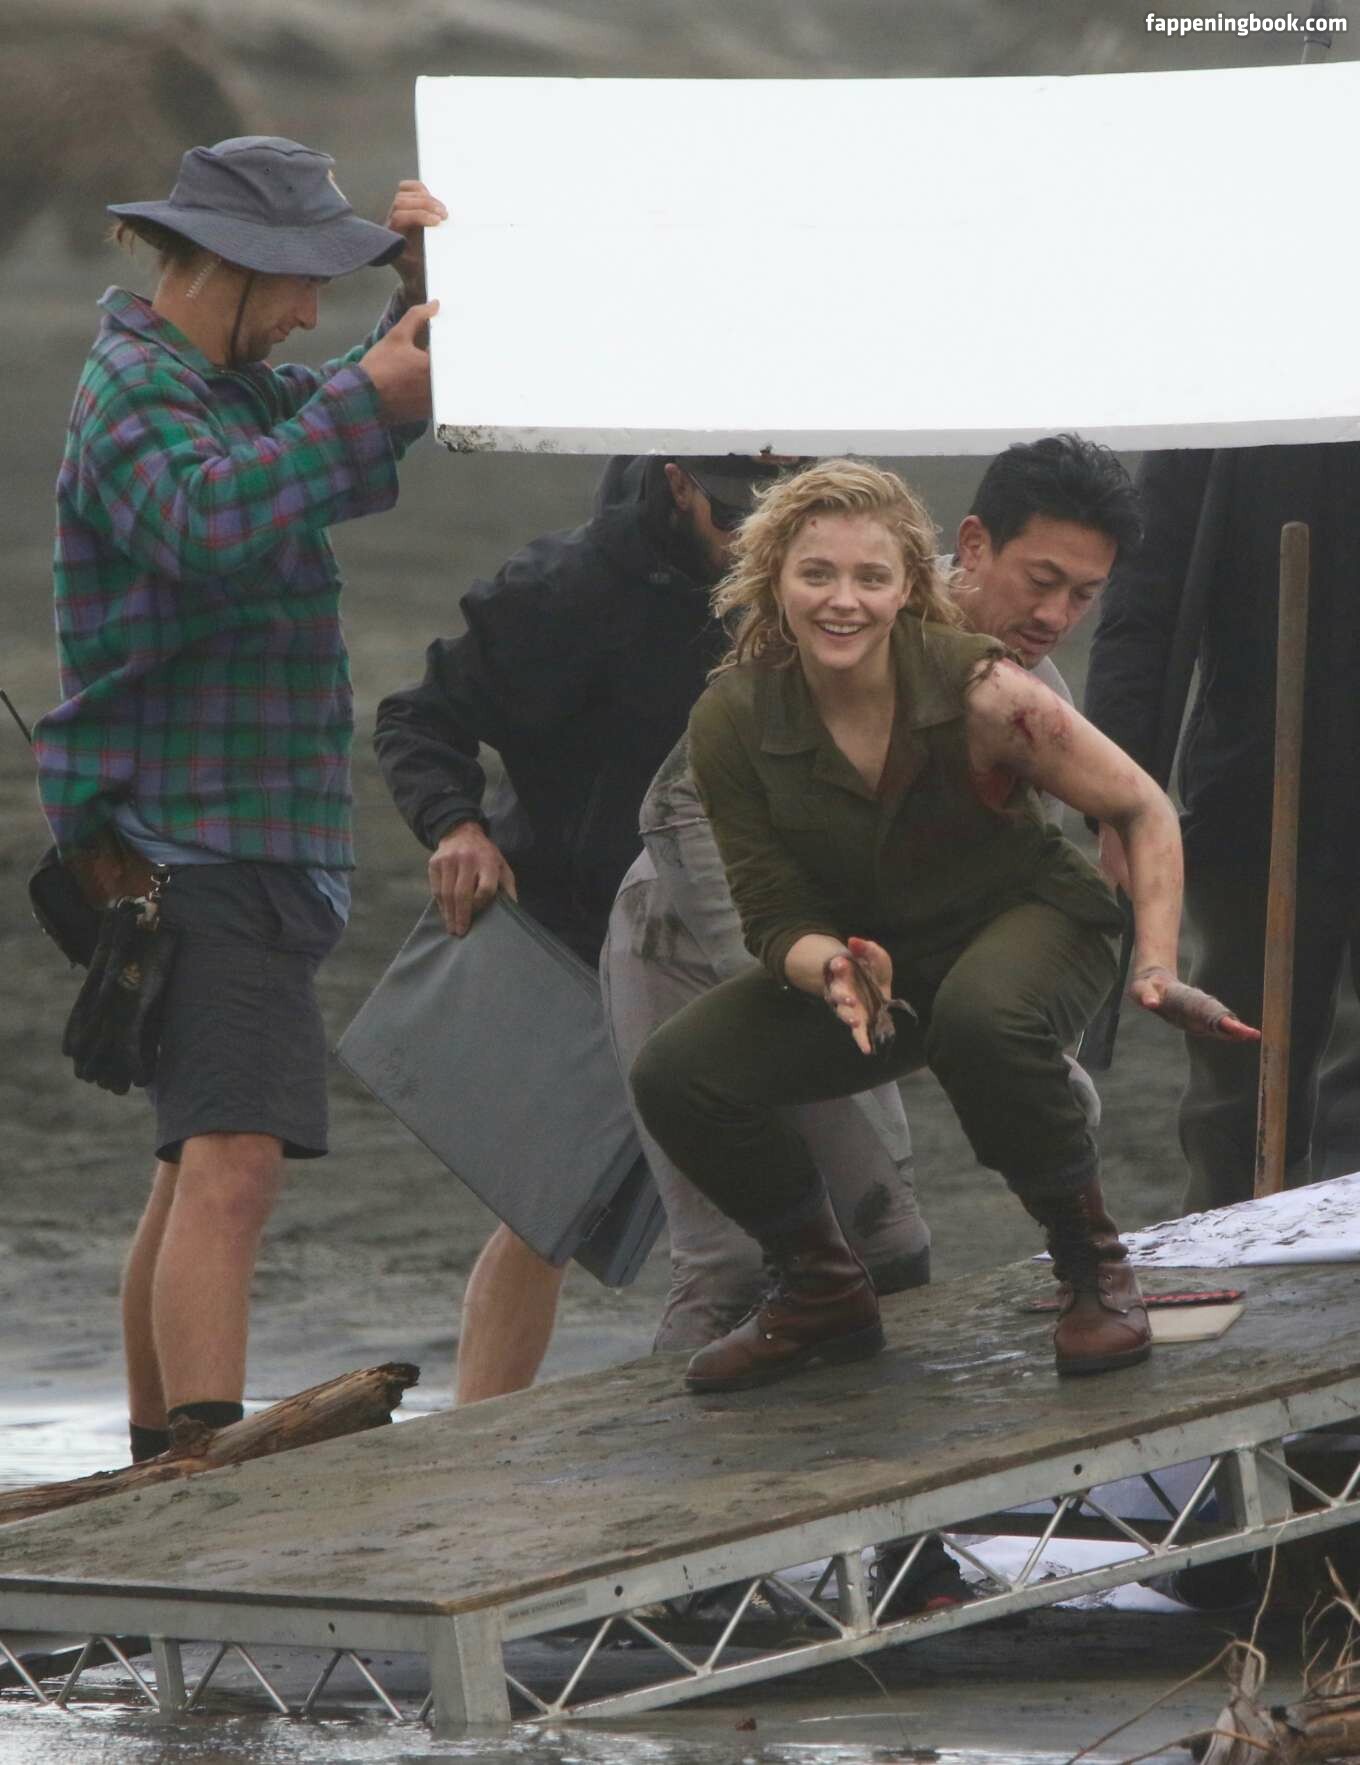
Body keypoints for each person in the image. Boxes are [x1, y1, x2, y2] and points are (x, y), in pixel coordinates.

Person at [629, 460, 1259, 1396]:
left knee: (982, 1018)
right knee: (677, 1072)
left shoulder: (985, 689)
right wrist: (831, 968)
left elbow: (1142, 806)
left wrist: (1157, 964)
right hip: (886, 960)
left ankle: (1093, 1266)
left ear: (906, 588)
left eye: (870, 578)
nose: (844, 601)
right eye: (817, 575)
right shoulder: (732, 717)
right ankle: (822, 1285)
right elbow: (771, 911)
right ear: (773, 580)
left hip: (1035, 919)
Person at [32, 135, 443, 1464]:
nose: (311, 312)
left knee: (189, 1164)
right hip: (196, 840)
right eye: (303, 281)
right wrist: (361, 393)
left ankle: (159, 1460)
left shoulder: (218, 385)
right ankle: (204, 1471)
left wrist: (417, 295)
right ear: (230, 265)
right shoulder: (137, 394)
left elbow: (352, 414)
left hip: (218, 838)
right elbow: (206, 519)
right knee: (231, 1166)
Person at [374, 453, 797, 1402]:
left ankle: (763, 1427)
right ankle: (485, 1435)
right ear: (678, 481)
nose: (756, 543)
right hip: (582, 930)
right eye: (735, 517)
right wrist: (456, 825)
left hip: (752, 922)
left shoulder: (809, 573)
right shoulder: (564, 589)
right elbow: (417, 718)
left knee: (771, 1200)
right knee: (549, 1208)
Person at [1085, 446, 1360, 1212]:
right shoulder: (1229, 411)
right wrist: (1116, 797)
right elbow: (1145, 600)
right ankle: (1232, 1249)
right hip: (1255, 791)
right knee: (1240, 1083)